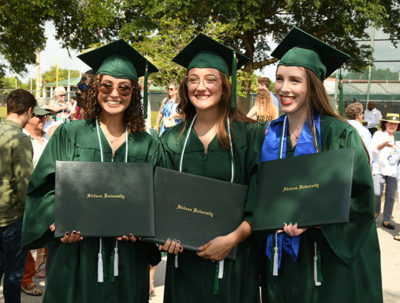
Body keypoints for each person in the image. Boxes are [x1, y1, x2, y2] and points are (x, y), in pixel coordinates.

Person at [21, 39, 161, 303]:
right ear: (96, 88)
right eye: (106, 85)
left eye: (124, 88)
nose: (114, 94)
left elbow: (159, 197)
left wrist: (145, 229)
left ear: (134, 94)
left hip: (128, 259)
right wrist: (57, 221)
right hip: (76, 255)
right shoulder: (68, 134)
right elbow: (43, 187)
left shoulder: (148, 144)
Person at [257, 27, 382, 302]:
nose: (284, 88)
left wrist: (314, 221)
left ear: (312, 85)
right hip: (279, 262)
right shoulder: (269, 134)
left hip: (323, 260)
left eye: (295, 80)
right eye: (279, 79)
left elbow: (361, 200)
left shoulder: (339, 134)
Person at [159, 33, 264, 303]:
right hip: (185, 266)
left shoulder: (249, 135)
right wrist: (164, 236)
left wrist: (232, 239)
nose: (201, 87)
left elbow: (263, 199)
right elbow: (161, 201)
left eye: (210, 79)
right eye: (193, 79)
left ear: (225, 85)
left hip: (235, 263)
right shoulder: (171, 140)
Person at [0, 89, 37, 303]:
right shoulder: (20, 139)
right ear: (29, 111)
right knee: (13, 275)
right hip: (11, 217)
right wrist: (30, 215)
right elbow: (24, 181)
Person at [21, 106, 52, 296]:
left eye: (46, 115)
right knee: (25, 238)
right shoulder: (23, 138)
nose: (43, 118)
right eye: (38, 115)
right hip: (28, 195)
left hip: (47, 195)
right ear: (29, 116)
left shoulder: (48, 138)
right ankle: (26, 279)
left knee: (50, 235)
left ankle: (47, 270)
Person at [371, 113, 400, 229]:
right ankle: (375, 213)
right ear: (385, 123)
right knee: (377, 193)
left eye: (395, 124)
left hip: (394, 171)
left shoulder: (398, 136)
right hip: (379, 169)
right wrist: (383, 145)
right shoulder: (378, 134)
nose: (392, 125)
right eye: (390, 123)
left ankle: (386, 220)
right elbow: (373, 150)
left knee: (391, 196)